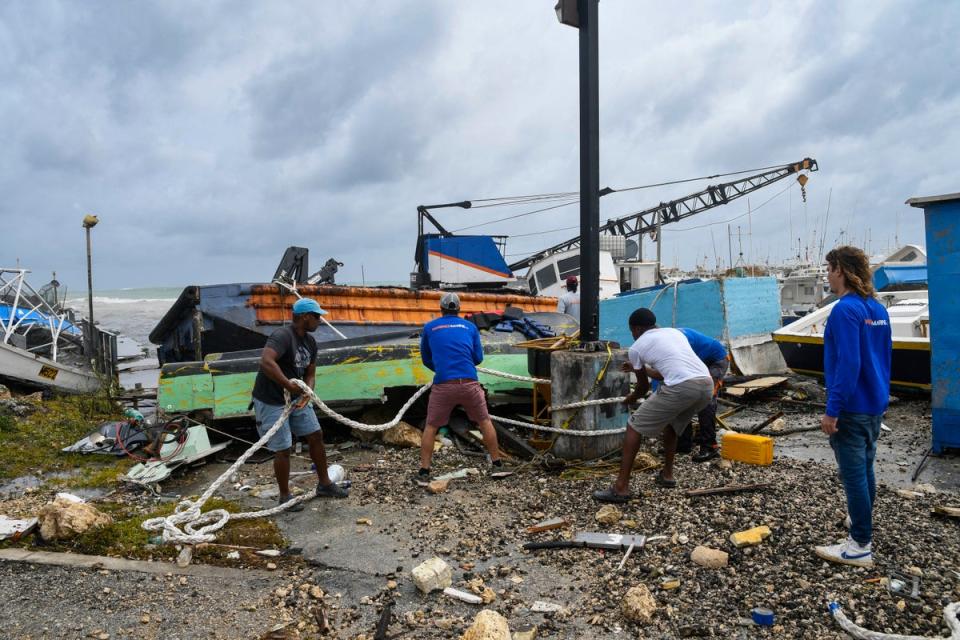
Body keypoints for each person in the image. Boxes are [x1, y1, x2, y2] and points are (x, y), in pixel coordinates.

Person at [813, 246, 891, 568]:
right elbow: (884, 356)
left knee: (854, 475)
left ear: (841, 270)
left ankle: (859, 544)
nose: (827, 275)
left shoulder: (845, 310)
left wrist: (833, 410)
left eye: (829, 269)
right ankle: (860, 522)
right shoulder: (877, 308)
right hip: (874, 404)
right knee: (866, 469)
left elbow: (848, 364)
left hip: (852, 407)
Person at [593, 308, 714, 502]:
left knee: (634, 425)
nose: (632, 335)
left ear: (638, 329)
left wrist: (631, 398)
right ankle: (667, 476)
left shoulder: (637, 348)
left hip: (682, 387)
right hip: (706, 385)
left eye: (632, 331)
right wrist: (637, 369)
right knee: (672, 425)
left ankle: (621, 487)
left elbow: (642, 387)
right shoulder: (674, 333)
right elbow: (667, 373)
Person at [251, 297, 348, 512]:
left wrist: (307, 391)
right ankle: (284, 497)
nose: (320, 321)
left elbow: (310, 372)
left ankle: (325, 484)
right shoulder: (283, 336)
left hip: (297, 398)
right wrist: (287, 384)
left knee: (315, 435)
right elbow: (267, 361)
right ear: (304, 317)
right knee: (283, 447)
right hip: (272, 399)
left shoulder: (310, 342)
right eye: (317, 317)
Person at [418, 292, 504, 480]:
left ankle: (424, 472)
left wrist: (442, 368)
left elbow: (426, 359)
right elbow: (478, 358)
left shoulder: (430, 328)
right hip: (469, 383)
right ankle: (497, 465)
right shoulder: (470, 327)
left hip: (444, 385)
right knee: (484, 421)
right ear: (459, 309)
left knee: (431, 426)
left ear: (441, 309)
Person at [673, 328, 729, 462]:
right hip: (698, 361)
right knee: (682, 398)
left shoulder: (681, 340)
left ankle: (710, 446)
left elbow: (686, 364)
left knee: (706, 401)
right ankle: (683, 443)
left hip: (715, 360)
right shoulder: (664, 342)